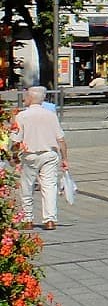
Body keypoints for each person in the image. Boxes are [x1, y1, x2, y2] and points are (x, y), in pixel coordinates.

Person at [11, 87, 69, 230]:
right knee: (49, 186)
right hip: (49, 154)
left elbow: (16, 140)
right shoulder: (51, 115)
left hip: (30, 155)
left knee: (27, 187)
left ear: (30, 98)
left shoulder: (22, 116)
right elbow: (61, 139)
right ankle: (50, 220)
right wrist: (65, 158)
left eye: (25, 97)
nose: (24, 99)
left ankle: (28, 219)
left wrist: (13, 156)